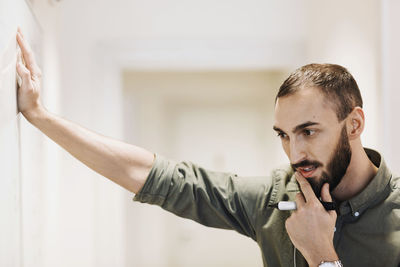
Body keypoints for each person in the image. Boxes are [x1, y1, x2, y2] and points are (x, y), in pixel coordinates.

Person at [16, 29, 400, 267]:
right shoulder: (275, 199)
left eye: (309, 131)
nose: (294, 152)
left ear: (354, 123)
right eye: (283, 134)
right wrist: (40, 116)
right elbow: (163, 179)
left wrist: (321, 259)